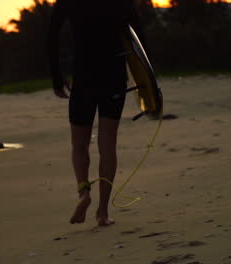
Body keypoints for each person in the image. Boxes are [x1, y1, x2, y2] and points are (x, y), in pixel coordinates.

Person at [47, 0, 149, 226]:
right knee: (107, 144)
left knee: (79, 144)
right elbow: (138, 36)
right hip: (113, 75)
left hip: (84, 77)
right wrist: (147, 81)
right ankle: (102, 212)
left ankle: (84, 193)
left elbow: (52, 33)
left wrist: (56, 76)